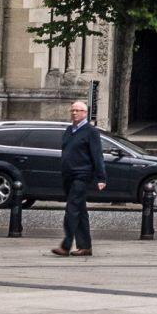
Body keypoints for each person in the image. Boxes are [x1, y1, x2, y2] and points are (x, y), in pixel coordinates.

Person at [55, 100, 105, 256]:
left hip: (82, 175)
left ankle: (66, 245)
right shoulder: (69, 130)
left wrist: (101, 177)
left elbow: (97, 156)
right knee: (80, 211)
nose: (74, 113)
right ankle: (85, 246)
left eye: (78, 110)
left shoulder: (91, 132)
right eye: (72, 110)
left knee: (72, 209)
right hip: (68, 175)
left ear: (85, 113)